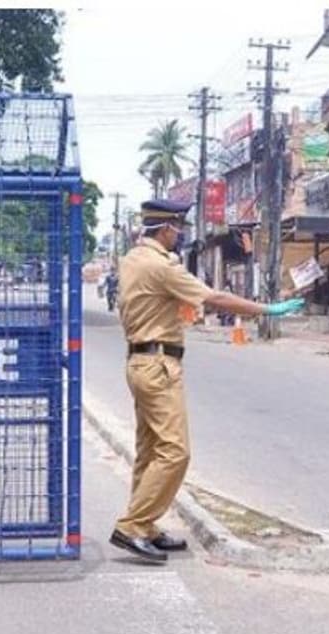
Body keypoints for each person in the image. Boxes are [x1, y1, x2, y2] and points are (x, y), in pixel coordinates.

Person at [111, 198, 305, 563]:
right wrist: (266, 309)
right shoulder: (161, 266)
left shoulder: (132, 259)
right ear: (166, 228)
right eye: (178, 228)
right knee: (175, 452)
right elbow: (213, 297)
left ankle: (146, 524)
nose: (180, 235)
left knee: (151, 451)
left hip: (140, 361)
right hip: (158, 365)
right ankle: (133, 526)